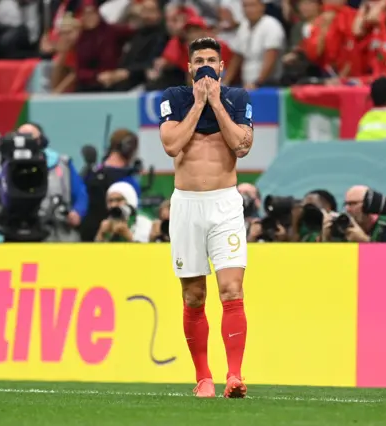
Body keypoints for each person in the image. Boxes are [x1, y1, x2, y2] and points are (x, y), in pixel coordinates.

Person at [158, 37, 253, 399]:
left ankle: (234, 375)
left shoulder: (237, 98)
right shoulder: (175, 98)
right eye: (199, 60)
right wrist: (198, 103)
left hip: (224, 203)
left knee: (232, 290)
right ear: (190, 67)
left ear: (222, 65)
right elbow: (171, 145)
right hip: (186, 205)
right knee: (194, 295)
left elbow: (241, 145)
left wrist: (215, 100)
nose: (206, 66)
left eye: (212, 60)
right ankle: (203, 377)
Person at [0, 123, 88, 242]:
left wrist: (77, 212)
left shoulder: (61, 165)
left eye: (31, 139)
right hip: (14, 231)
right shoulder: (8, 166)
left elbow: (80, 193)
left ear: (41, 141)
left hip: (56, 235)